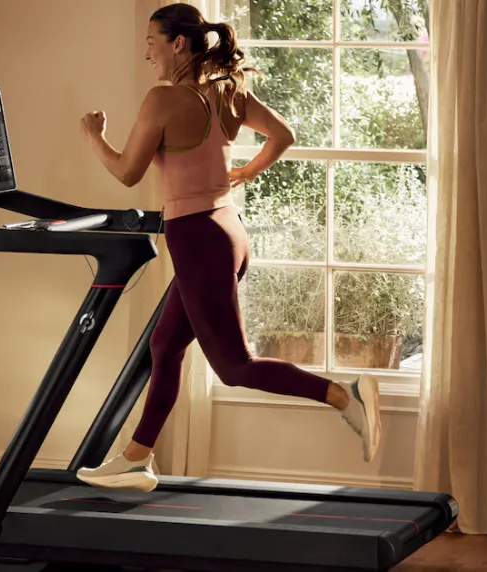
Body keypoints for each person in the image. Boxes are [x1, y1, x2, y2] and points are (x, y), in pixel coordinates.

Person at [75, 4, 381, 493]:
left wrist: (95, 137)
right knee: (165, 345)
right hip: (227, 230)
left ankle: (346, 397)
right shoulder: (227, 91)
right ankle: (137, 458)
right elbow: (283, 135)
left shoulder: (162, 100)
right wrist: (247, 171)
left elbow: (127, 172)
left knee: (235, 367)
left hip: (197, 239)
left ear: (178, 43)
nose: (147, 52)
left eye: (152, 41)